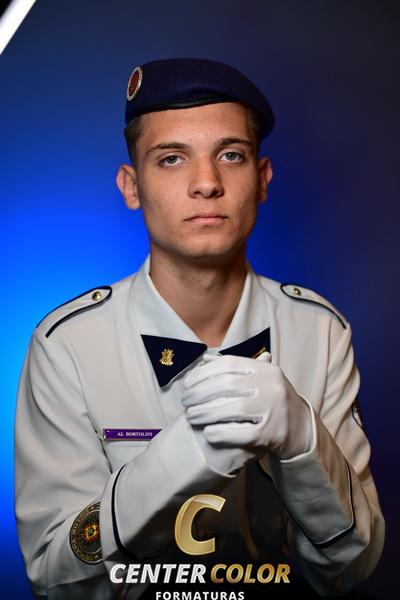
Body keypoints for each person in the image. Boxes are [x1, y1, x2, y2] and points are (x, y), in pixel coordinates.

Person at [15, 58, 384, 599]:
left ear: (262, 180)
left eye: (231, 155)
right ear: (131, 186)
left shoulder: (320, 331)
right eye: (171, 159)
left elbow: (350, 569)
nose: (207, 183)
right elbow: (56, 579)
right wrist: (182, 460)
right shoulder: (67, 345)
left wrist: (304, 445)